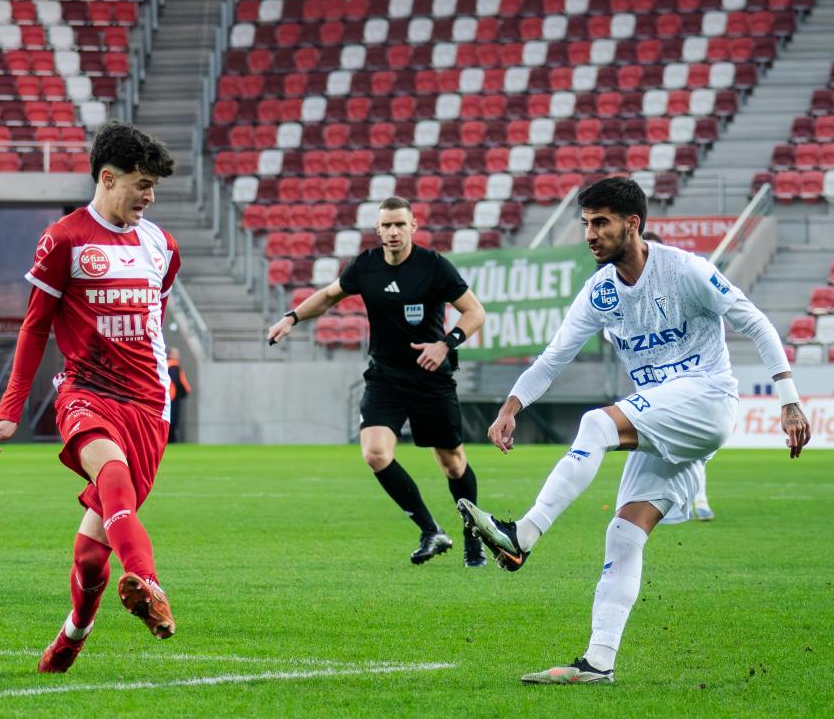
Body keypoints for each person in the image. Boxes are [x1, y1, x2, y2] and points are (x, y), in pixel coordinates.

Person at [460, 177, 810, 684]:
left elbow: (755, 323)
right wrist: (511, 406)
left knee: (596, 423)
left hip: (708, 398)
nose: (590, 234)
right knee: (623, 533)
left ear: (633, 224)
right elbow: (554, 357)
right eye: (586, 223)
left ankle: (523, 535)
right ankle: (598, 661)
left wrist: (790, 401)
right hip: (665, 415)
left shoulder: (685, 270)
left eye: (600, 222)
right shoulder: (599, 291)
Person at [0, 121, 180, 673]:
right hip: (85, 391)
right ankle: (149, 582)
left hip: (149, 405)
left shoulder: (162, 246)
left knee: (91, 557)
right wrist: (9, 412)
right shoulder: (64, 238)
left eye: (153, 187)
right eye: (142, 184)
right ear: (107, 178)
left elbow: (154, 318)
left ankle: (73, 634)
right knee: (111, 473)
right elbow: (34, 327)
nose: (149, 196)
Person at [267, 196, 488, 567]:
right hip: (385, 378)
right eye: (386, 225)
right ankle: (430, 530)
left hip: (431, 378)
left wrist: (445, 344)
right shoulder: (366, 265)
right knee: (375, 453)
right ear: (378, 229)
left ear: (413, 226)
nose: (393, 231)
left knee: (452, 463)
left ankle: (473, 535)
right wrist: (292, 318)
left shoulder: (433, 265)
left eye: (400, 224)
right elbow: (328, 296)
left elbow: (475, 312)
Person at [642, 232, 715, 523]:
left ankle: (700, 499)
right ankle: (669, 500)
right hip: (654, 381)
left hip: (688, 378)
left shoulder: (680, 283)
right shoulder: (630, 293)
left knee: (691, 444)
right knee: (662, 446)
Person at [166, 346, 191, 442]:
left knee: (171, 419)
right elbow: (176, 380)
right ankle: (171, 440)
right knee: (173, 420)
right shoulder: (173, 366)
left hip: (169, 396)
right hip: (173, 396)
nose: (178, 355)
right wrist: (183, 392)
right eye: (176, 353)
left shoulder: (167, 364)